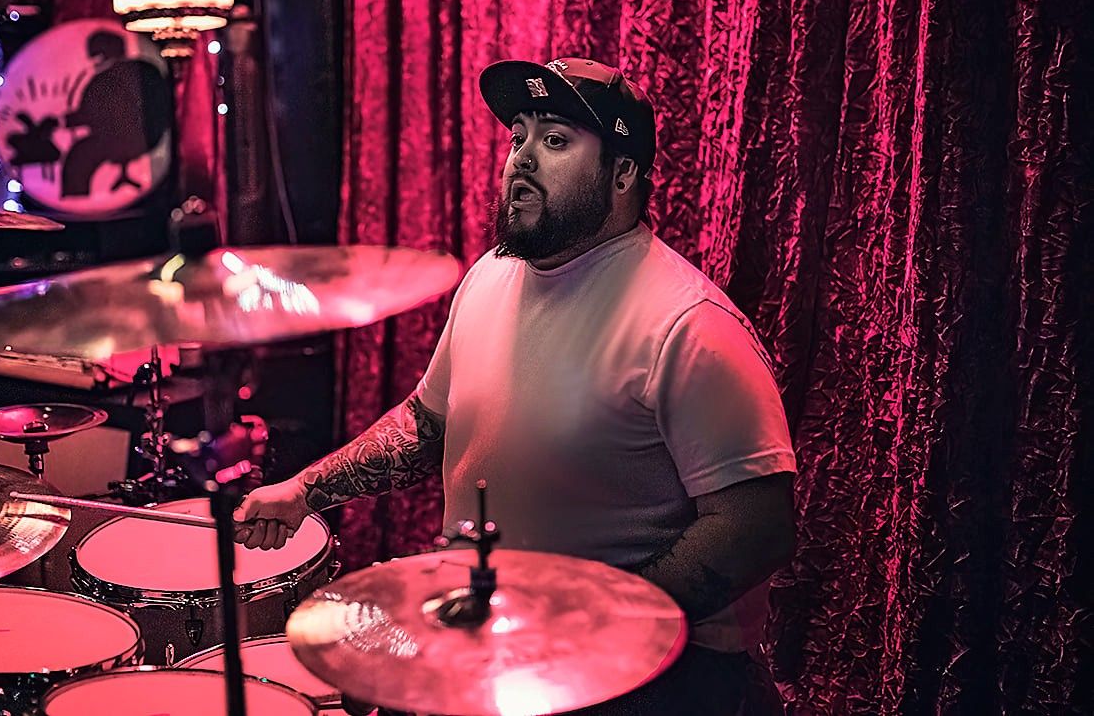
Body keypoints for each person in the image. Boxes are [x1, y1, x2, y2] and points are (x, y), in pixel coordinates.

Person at [234, 57, 798, 715]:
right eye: (517, 137)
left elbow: (755, 527)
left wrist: (593, 624)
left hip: (650, 679)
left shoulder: (688, 324)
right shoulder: (491, 276)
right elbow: (428, 424)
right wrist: (305, 490)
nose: (521, 158)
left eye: (554, 140)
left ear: (623, 173)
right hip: (501, 643)